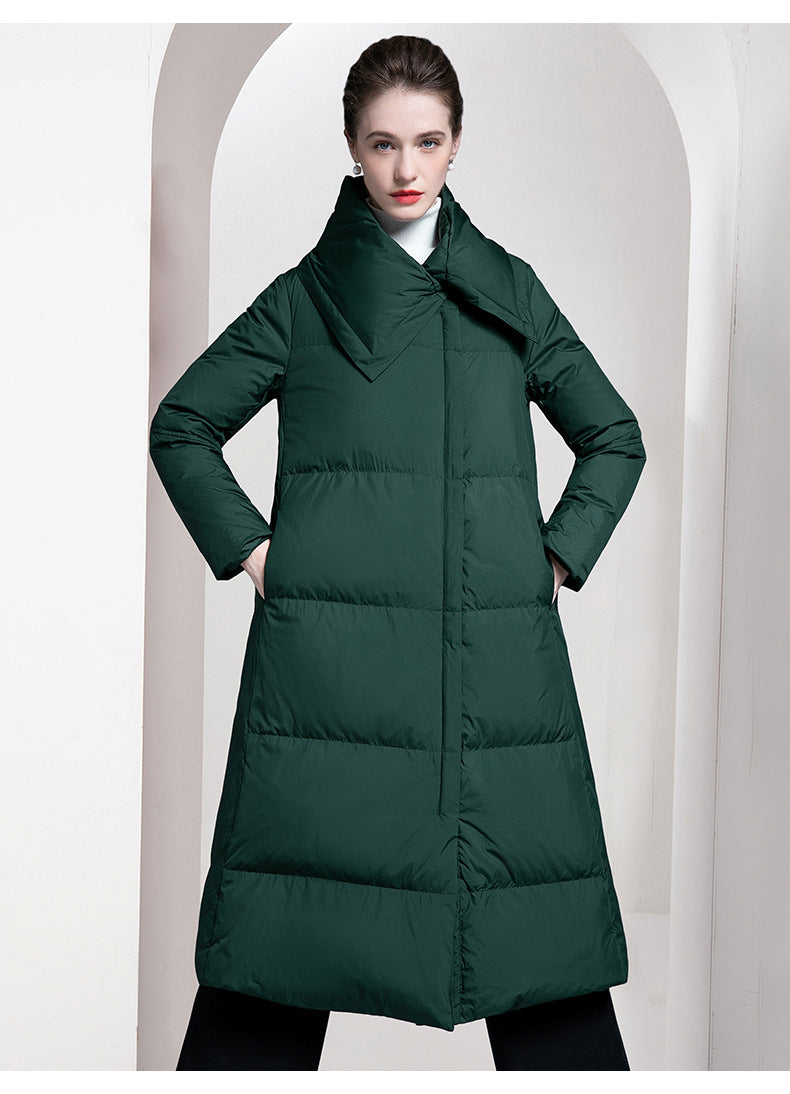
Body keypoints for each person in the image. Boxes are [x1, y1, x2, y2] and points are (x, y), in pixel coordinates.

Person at [150, 34, 646, 1071]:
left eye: (427, 141)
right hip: (329, 683)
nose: (406, 168)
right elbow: (183, 424)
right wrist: (258, 556)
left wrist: (551, 562)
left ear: (457, 143)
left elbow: (613, 435)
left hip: (494, 677)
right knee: (282, 949)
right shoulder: (304, 300)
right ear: (352, 146)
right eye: (383, 143)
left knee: (535, 952)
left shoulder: (510, 291)